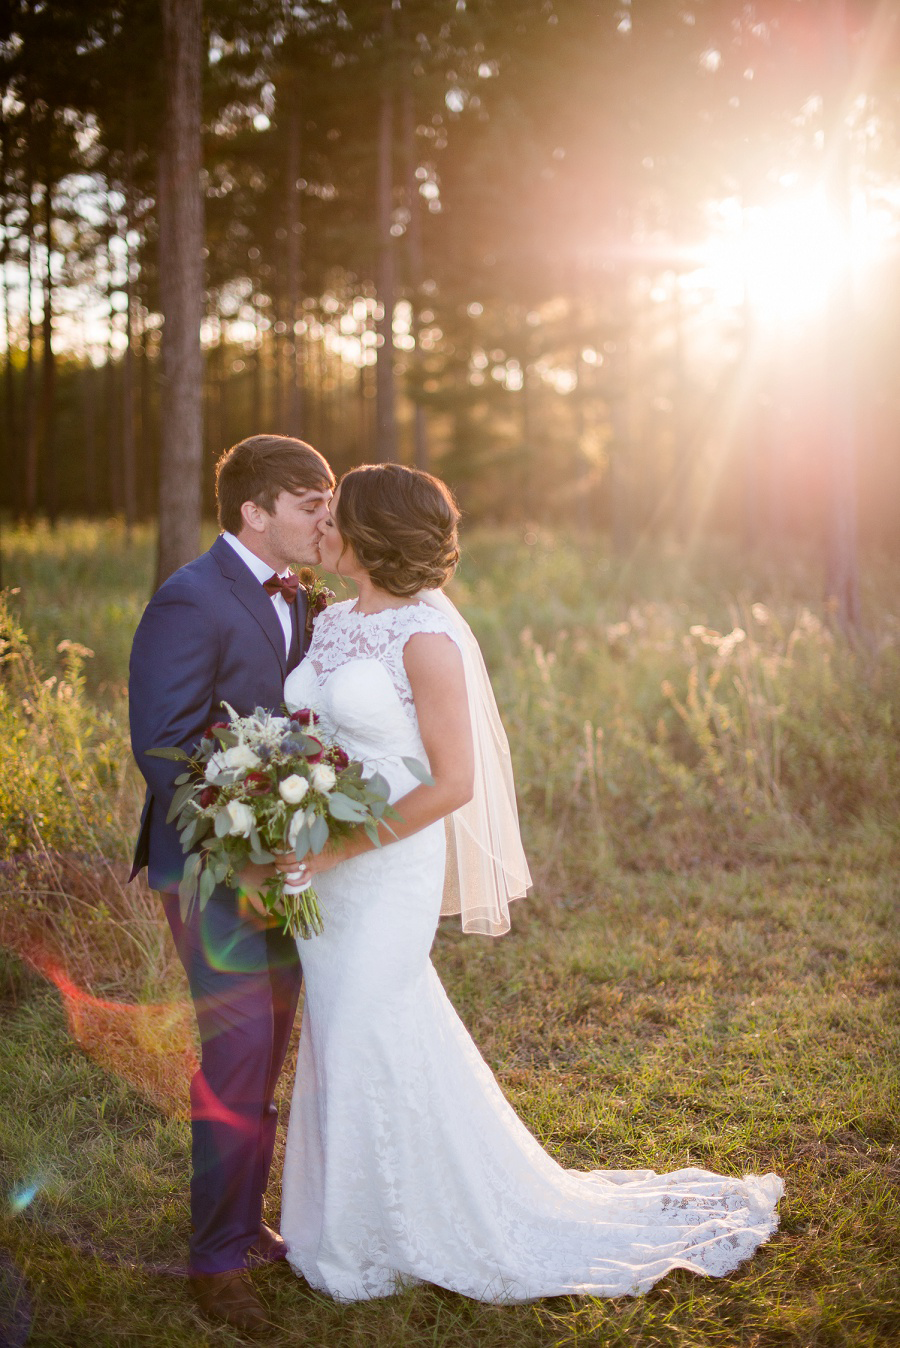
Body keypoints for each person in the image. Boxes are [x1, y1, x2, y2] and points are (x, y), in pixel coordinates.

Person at [277, 462, 783, 1304]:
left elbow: (450, 784)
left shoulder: (425, 639)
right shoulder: (327, 625)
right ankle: (348, 1225)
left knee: (367, 1021)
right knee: (342, 1033)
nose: (324, 527)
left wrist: (338, 847)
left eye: (338, 516)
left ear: (373, 533)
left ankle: (410, 1226)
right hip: (322, 863)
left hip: (383, 861)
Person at [129, 433, 335, 1331]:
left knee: (273, 1044)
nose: (326, 517)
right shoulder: (190, 598)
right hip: (212, 866)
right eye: (309, 503)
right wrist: (240, 835)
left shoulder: (303, 596)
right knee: (238, 1052)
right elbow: (166, 744)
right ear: (256, 511)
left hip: (288, 862)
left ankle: (248, 1226)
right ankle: (214, 1264)